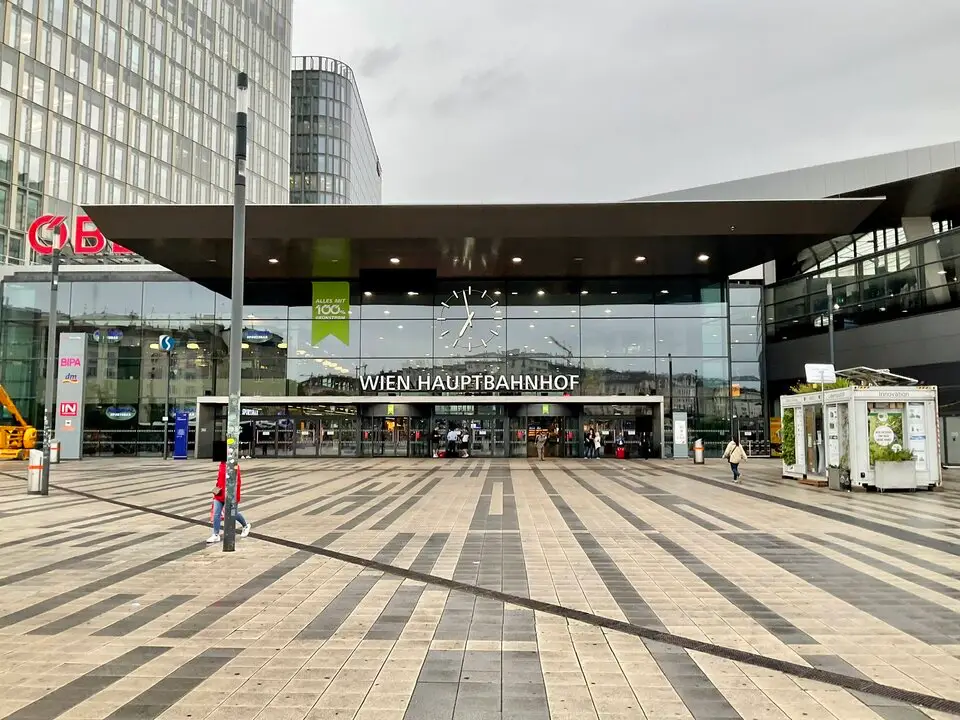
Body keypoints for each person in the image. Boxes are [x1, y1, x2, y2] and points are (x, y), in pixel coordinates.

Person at [207, 461, 252, 543]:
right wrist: (216, 489)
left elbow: (237, 481)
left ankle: (245, 526)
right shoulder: (221, 464)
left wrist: (234, 495)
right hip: (219, 494)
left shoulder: (234, 466)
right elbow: (219, 478)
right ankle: (215, 534)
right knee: (216, 513)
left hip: (230, 495)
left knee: (232, 513)